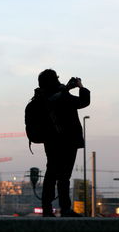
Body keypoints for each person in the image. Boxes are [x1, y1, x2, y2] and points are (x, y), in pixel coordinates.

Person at [34, 69, 90, 217]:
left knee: (51, 173)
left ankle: (47, 209)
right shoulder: (62, 96)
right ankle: (65, 209)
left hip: (51, 141)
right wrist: (80, 87)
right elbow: (83, 102)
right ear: (55, 80)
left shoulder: (41, 97)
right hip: (68, 141)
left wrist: (67, 89)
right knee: (64, 176)